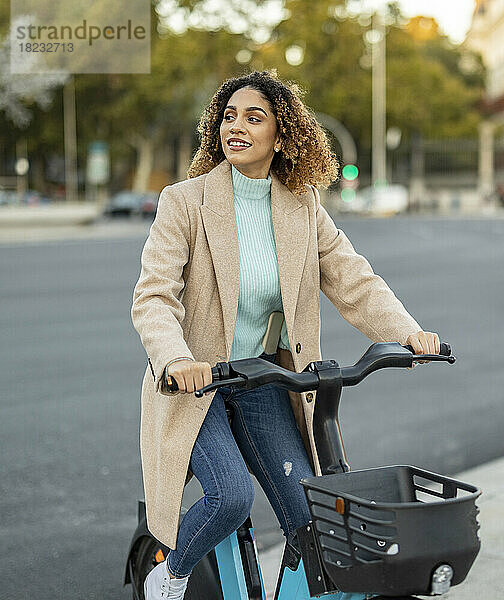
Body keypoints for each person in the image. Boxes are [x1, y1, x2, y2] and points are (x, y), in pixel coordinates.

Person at [131, 69, 440, 600]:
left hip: (262, 379)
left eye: (254, 118)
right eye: (229, 116)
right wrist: (176, 358)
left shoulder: (301, 206)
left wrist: (408, 334)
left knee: (308, 514)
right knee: (229, 498)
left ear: (282, 135)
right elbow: (154, 296)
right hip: (195, 385)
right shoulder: (184, 201)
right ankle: (171, 574)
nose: (237, 127)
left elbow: (352, 278)